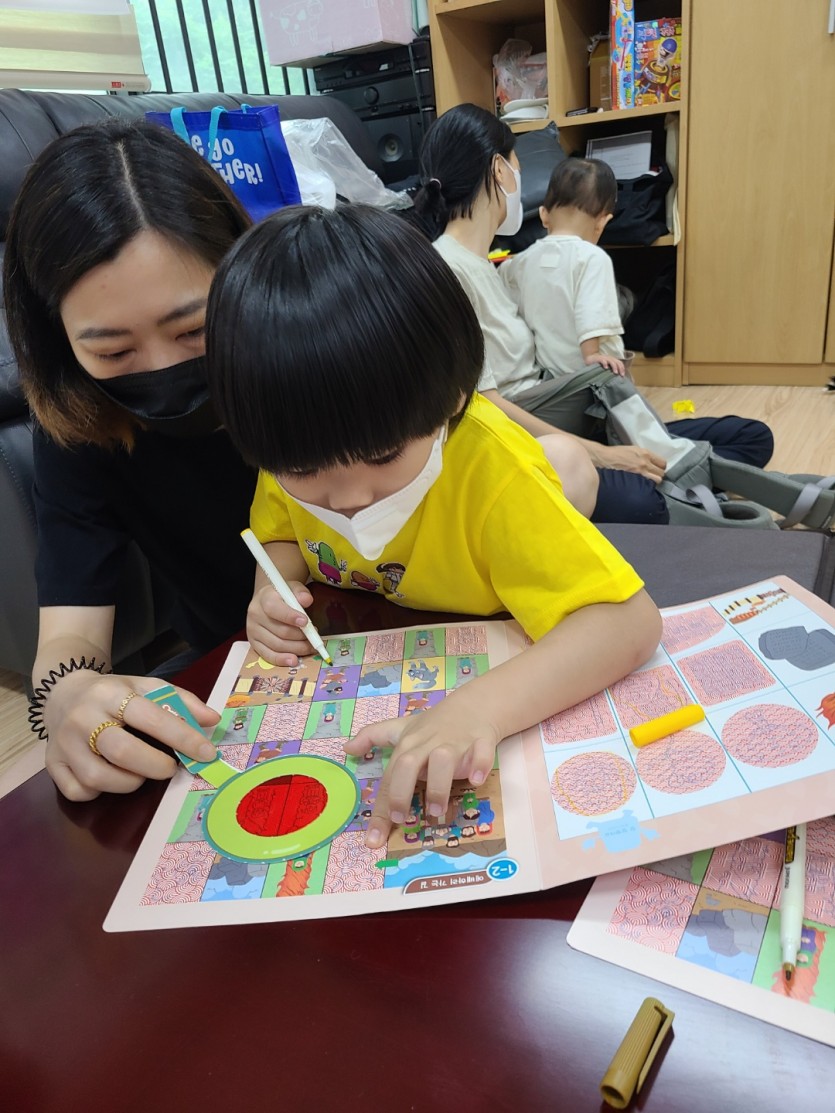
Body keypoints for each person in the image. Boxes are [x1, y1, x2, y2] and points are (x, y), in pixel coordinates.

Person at [204, 203, 663, 850]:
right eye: (306, 469)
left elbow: (628, 622)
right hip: (400, 609)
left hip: (526, 491)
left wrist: (477, 709)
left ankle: (572, 467)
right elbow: (276, 534)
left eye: (385, 454)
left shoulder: (489, 472)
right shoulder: (287, 458)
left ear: (450, 398)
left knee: (564, 473)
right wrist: (270, 592)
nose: (351, 496)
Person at [3, 119, 257, 802]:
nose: (164, 370)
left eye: (195, 330)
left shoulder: (304, 339)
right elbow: (69, 638)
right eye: (113, 351)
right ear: (58, 339)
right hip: (239, 679)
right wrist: (68, 701)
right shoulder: (82, 425)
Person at [410, 104, 774, 513]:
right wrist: (601, 454)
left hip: (570, 417)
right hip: (534, 442)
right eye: (516, 166)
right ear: (498, 170)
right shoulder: (446, 272)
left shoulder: (496, 266)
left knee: (750, 436)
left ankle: (685, 481)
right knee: (644, 502)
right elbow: (484, 408)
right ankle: (683, 484)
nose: (518, 178)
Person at [501, 158, 629, 378]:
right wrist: (591, 354)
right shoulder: (593, 259)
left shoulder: (517, 264)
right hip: (595, 375)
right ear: (602, 222)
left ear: (543, 215)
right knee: (632, 409)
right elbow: (592, 312)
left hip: (551, 379)